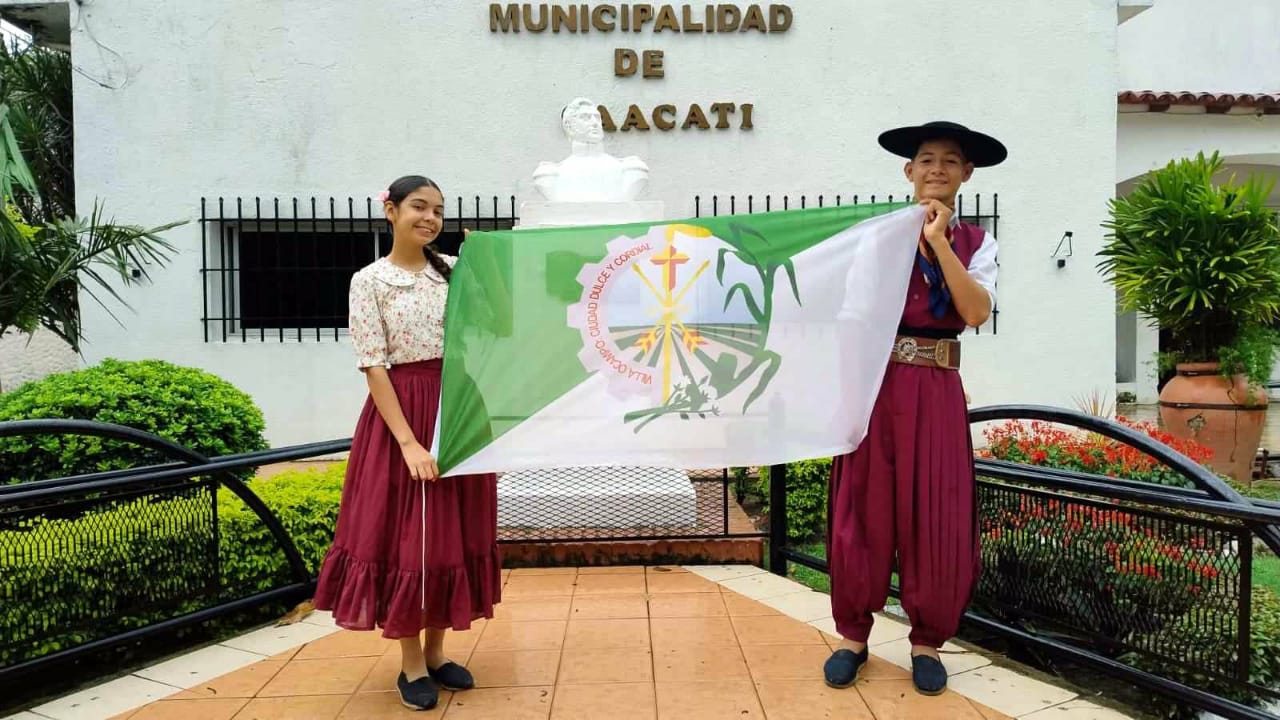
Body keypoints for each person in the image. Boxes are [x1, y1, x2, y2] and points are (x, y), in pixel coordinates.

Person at [823, 121, 1005, 696]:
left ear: (966, 174)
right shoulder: (877, 238)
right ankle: (853, 636)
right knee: (863, 508)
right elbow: (851, 318)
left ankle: (927, 642)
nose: (936, 169)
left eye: (950, 161)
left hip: (936, 389)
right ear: (908, 171)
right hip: (877, 387)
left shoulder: (978, 243)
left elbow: (975, 312)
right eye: (926, 160)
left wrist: (943, 243)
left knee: (938, 512)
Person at [313, 175, 501, 711]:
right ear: (390, 211)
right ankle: (411, 663)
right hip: (402, 415)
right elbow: (373, 365)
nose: (430, 217)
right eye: (419, 206)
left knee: (453, 534)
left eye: (438, 210)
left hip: (459, 408)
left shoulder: (456, 274)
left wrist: (486, 263)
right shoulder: (368, 281)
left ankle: (439, 653)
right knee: (407, 538)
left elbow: (497, 325)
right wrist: (410, 445)